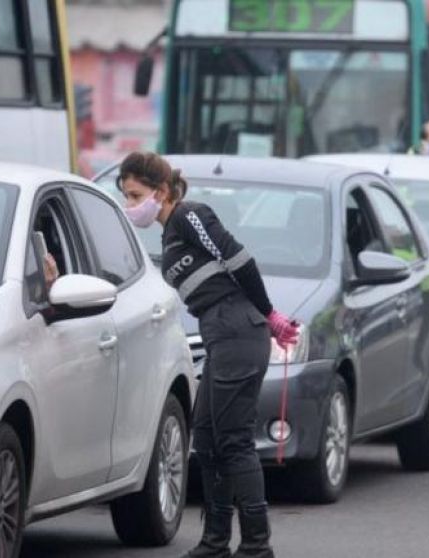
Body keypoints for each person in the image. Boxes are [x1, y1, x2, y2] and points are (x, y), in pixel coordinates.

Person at [116, 152, 299, 558]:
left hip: (237, 330)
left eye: (135, 195)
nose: (131, 206)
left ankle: (256, 544)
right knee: (208, 438)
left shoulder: (189, 215)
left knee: (233, 441)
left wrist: (269, 315)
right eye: (126, 197)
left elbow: (240, 260)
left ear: (161, 191)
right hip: (221, 335)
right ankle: (216, 541)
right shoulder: (168, 235)